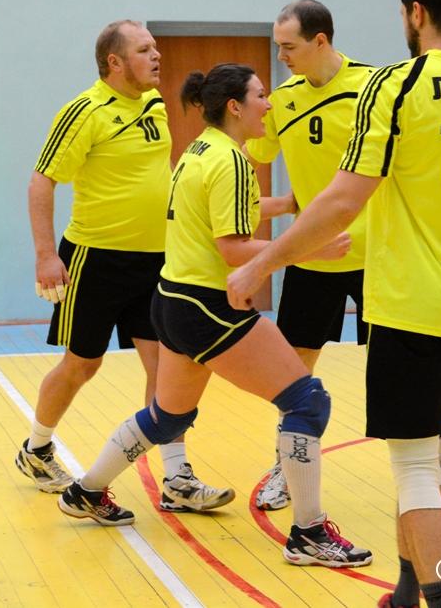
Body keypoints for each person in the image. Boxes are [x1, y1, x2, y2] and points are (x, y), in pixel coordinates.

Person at [228, 0, 441, 607]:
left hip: (407, 304)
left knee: (415, 475)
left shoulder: (394, 86)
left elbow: (343, 200)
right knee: (419, 449)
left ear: (416, 13)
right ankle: (405, 591)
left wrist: (262, 262)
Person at [57, 62, 373, 569]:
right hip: (208, 307)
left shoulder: (200, 150)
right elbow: (232, 248)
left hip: (171, 300)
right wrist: (310, 249)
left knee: (168, 417)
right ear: (235, 106)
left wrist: (288, 205)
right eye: (261, 95)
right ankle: (309, 533)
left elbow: (221, 212)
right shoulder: (231, 161)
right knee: (306, 402)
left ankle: (86, 490)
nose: (269, 104)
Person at [247, 0, 441, 516]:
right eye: (278, 46)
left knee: (411, 375)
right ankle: (285, 467)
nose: (281, 56)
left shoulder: (376, 87)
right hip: (312, 256)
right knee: (293, 373)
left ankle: (437, 470)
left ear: (320, 40)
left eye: (288, 46)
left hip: (381, 257)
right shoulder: (283, 101)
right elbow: (253, 150)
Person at [15, 20, 232, 512]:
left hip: (156, 261)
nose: (157, 56)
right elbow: (41, 181)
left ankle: (176, 478)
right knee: (82, 365)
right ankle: (37, 449)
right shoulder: (85, 111)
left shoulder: (154, 102)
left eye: (155, 47)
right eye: (144, 49)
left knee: (167, 367)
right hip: (95, 260)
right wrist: (46, 255)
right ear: (114, 62)